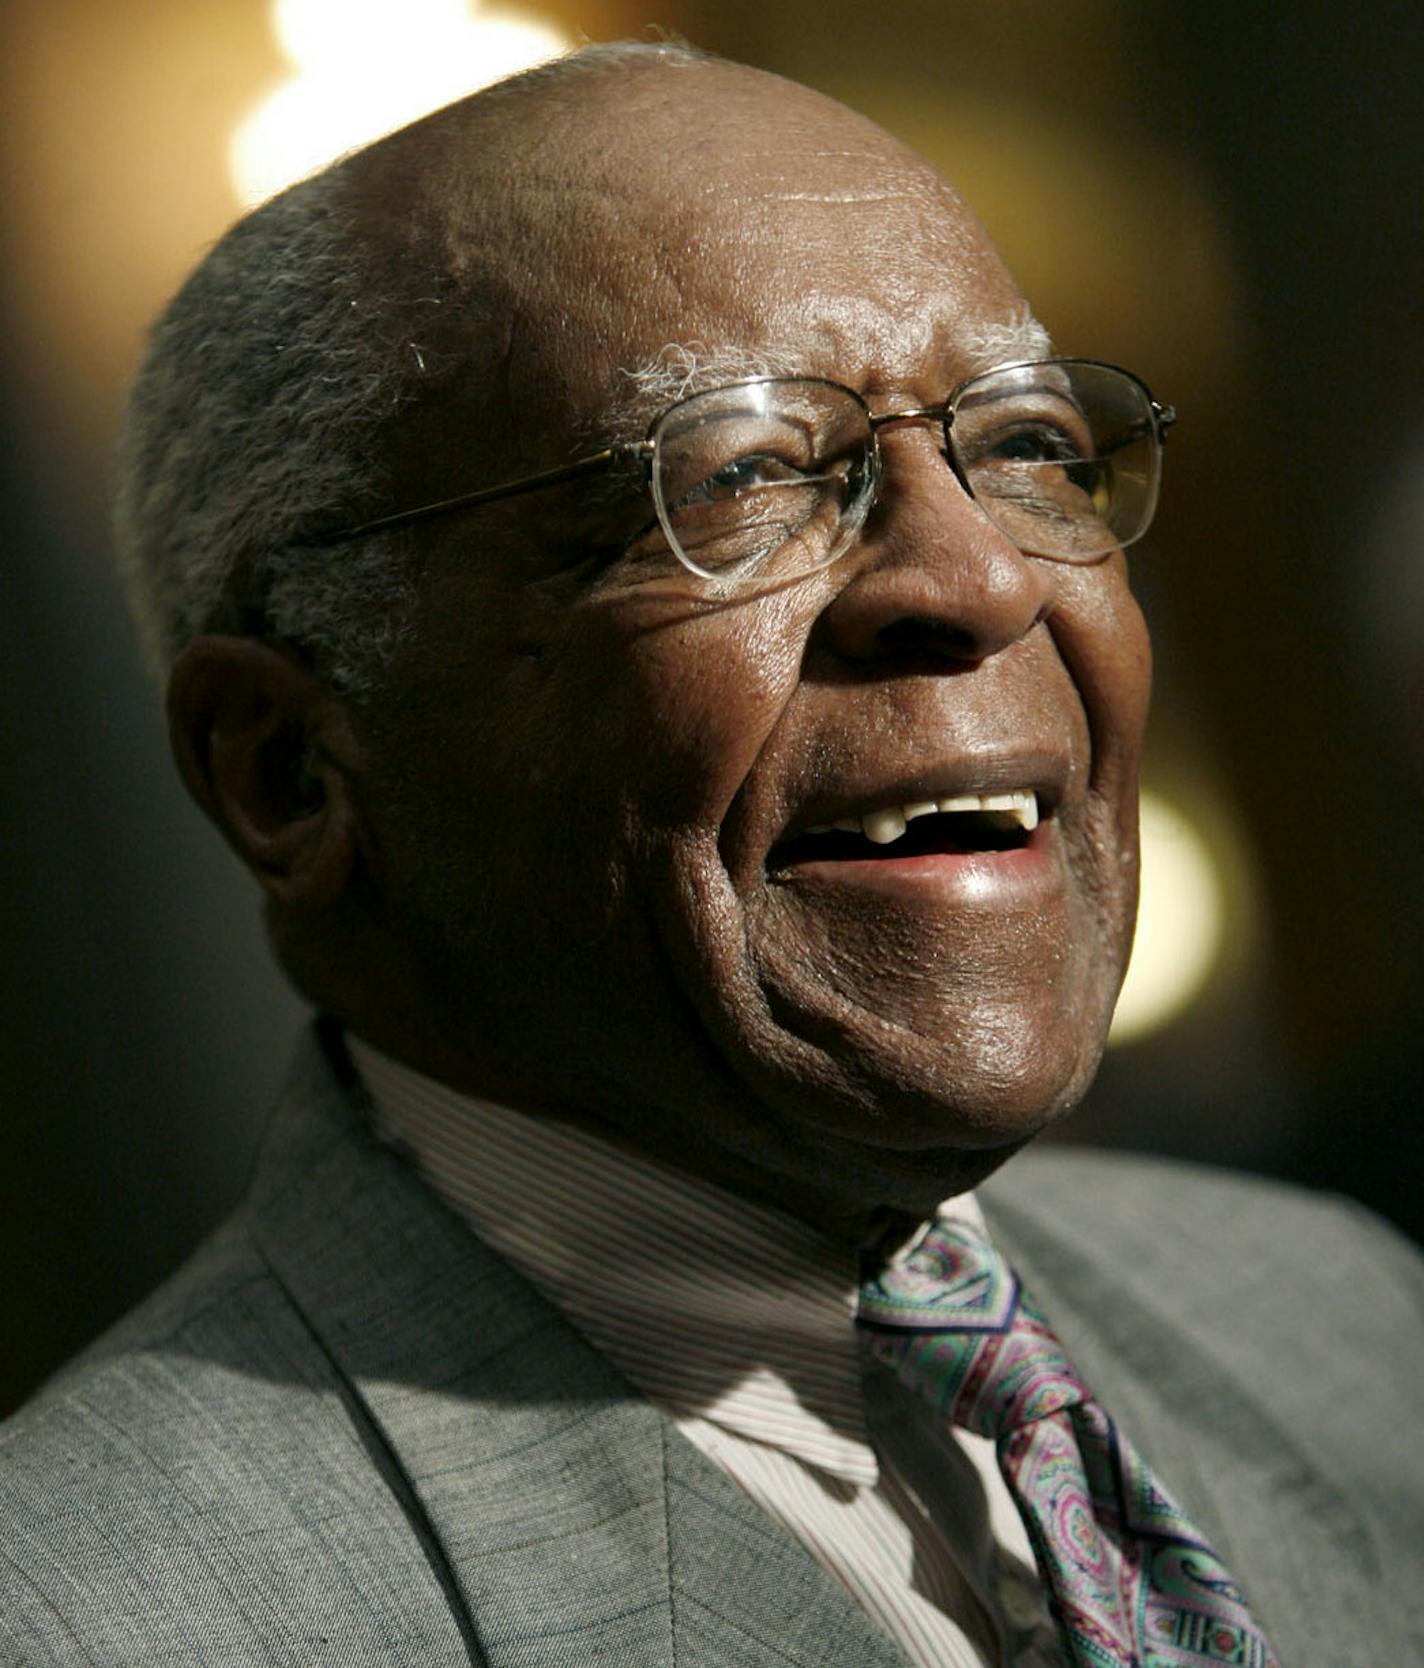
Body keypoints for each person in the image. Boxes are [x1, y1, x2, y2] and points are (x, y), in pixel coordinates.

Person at [2, 41, 1419, 1668]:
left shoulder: (1344, 1320)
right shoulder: (88, 1617)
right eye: (741, 475)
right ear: (287, 768)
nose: (979, 578)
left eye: (1029, 444)